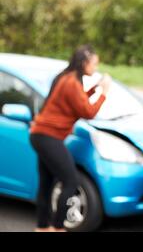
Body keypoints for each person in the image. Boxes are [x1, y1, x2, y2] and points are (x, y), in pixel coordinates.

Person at [29, 45, 111, 232]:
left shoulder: (68, 78)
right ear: (84, 63)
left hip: (41, 135)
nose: (96, 68)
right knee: (71, 181)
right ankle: (58, 227)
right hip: (48, 137)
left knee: (47, 182)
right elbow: (88, 111)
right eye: (94, 64)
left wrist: (94, 89)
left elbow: (77, 101)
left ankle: (42, 227)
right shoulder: (71, 83)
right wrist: (104, 92)